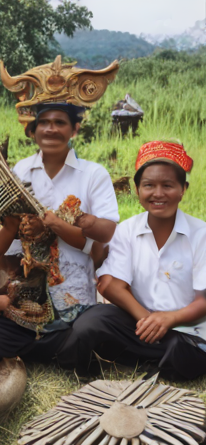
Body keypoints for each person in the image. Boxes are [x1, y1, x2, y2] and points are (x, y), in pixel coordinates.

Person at [0, 101, 119, 368]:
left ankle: (43, 349)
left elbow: (105, 233)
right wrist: (22, 227)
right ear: (33, 131)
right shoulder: (20, 172)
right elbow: (9, 238)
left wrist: (54, 225)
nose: (51, 129)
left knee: (92, 327)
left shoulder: (93, 174)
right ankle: (60, 352)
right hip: (28, 296)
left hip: (73, 298)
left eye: (60, 123)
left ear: (75, 129)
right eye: (44, 123)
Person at [65, 141, 206, 380]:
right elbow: (109, 284)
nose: (158, 194)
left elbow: (202, 301)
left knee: (183, 352)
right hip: (139, 323)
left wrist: (169, 318)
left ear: (183, 189)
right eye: (149, 185)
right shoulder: (127, 230)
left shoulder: (201, 234)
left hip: (184, 329)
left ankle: (150, 363)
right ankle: (148, 360)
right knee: (89, 323)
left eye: (168, 185)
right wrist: (146, 318)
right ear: (138, 189)